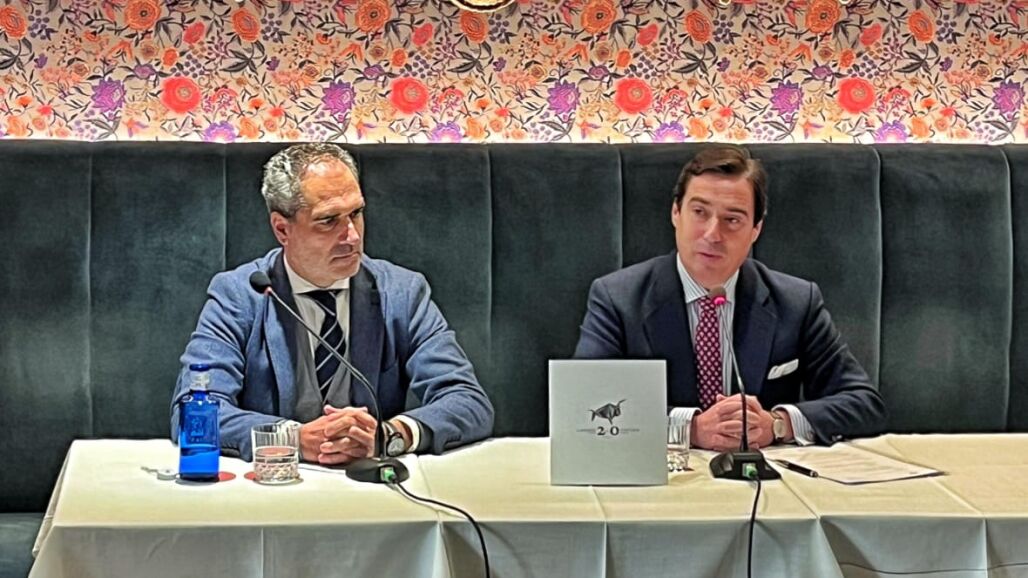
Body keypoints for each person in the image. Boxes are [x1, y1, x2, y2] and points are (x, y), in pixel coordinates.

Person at [171, 144, 494, 464]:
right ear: (282, 229)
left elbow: (467, 400)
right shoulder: (240, 295)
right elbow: (192, 412)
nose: (352, 236)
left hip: (370, 481)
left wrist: (389, 436)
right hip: (274, 481)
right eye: (328, 221)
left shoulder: (402, 292)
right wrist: (292, 439)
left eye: (356, 213)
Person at [574, 146, 886, 450]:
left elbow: (863, 403)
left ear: (755, 230)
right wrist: (691, 429)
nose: (713, 234)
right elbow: (583, 404)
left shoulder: (796, 302)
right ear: (676, 213)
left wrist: (777, 424)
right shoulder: (618, 298)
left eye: (732, 220)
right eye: (699, 212)